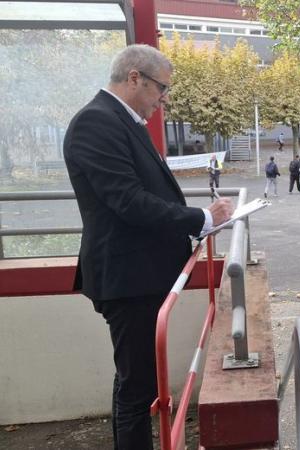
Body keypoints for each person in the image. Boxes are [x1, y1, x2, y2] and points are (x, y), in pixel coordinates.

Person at [63, 44, 233, 450]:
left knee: (134, 380)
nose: (164, 98)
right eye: (162, 87)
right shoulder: (95, 123)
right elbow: (129, 200)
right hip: (128, 279)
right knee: (136, 389)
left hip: (137, 274)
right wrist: (202, 219)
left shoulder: (121, 120)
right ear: (134, 77)